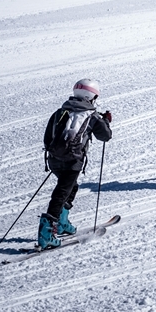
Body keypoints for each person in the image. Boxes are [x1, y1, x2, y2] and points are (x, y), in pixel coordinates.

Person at [39, 79, 112, 250]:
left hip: (54, 159)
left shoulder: (60, 112)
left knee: (70, 188)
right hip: (73, 161)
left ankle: (62, 223)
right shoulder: (92, 116)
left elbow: (47, 137)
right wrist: (106, 121)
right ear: (92, 96)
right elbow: (106, 136)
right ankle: (46, 233)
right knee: (62, 192)